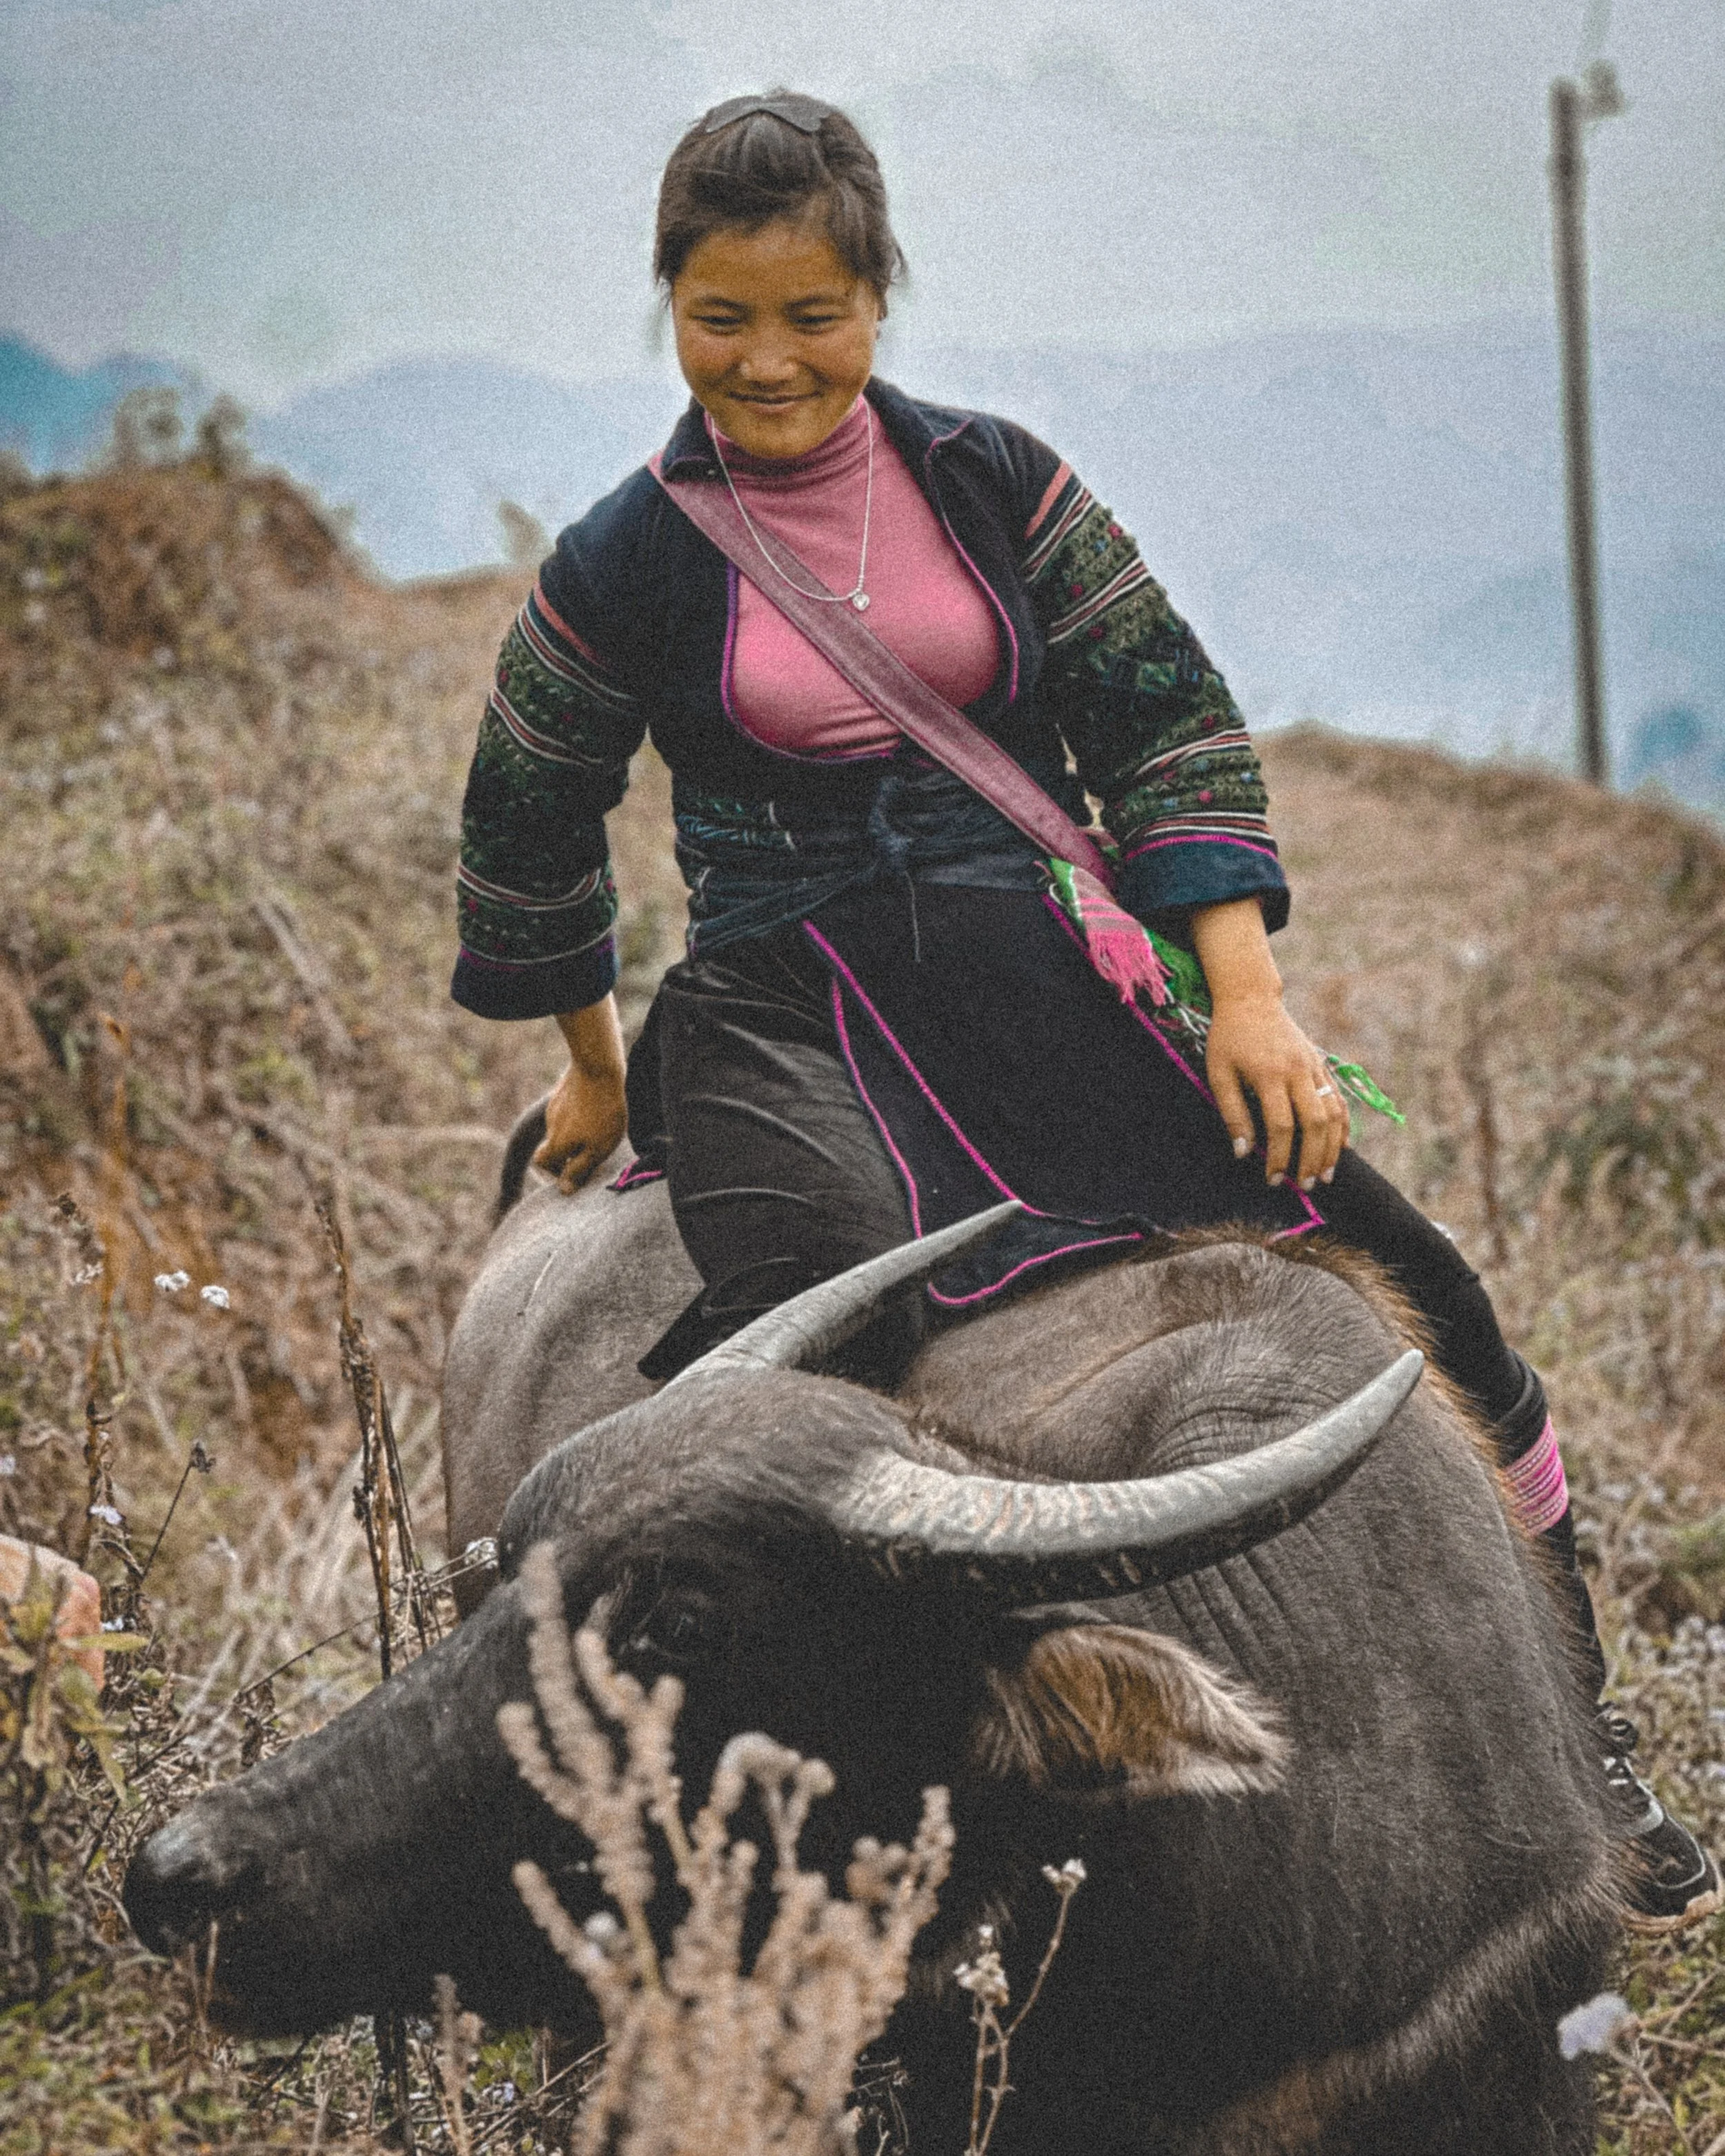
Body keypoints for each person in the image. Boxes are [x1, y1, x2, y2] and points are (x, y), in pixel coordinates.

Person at [451, 89, 1718, 1930]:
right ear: (670, 308)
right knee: (801, 1389)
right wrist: (585, 1068)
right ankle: (780, 1851)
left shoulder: (998, 482)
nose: (769, 359)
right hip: (781, 1014)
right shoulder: (622, 560)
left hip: (1043, 970)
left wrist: (1252, 1000)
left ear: (876, 299)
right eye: (722, 317)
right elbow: (523, 803)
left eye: (812, 314)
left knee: (1416, 1288)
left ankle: (1574, 1735)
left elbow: (1165, 719)